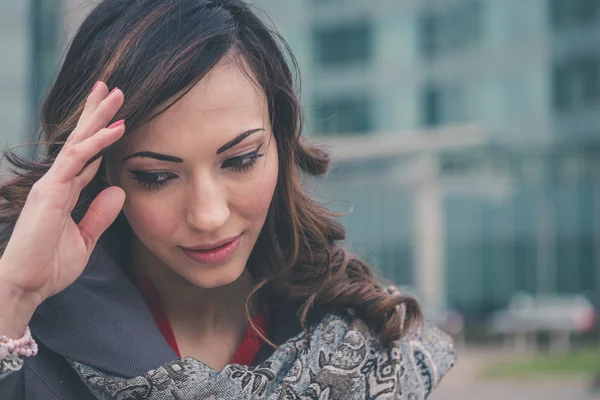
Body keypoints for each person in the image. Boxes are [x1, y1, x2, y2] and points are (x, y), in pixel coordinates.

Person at [0, 0, 455, 398]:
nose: (209, 215)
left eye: (239, 161)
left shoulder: (361, 345)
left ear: (281, 143)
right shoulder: (29, 326)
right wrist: (14, 296)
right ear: (101, 171)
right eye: (157, 176)